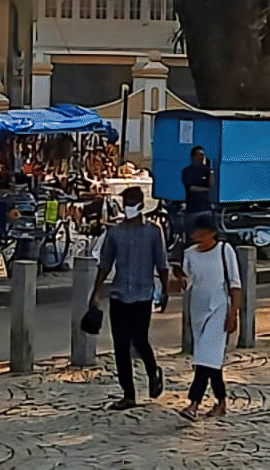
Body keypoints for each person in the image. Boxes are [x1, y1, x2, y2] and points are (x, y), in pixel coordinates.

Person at [92, 186, 169, 410]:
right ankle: (128, 393)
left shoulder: (154, 232)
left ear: (142, 205)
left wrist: (165, 291)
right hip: (119, 295)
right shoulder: (115, 233)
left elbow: (162, 264)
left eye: (133, 203)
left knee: (140, 340)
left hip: (143, 295)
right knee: (121, 346)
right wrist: (95, 292)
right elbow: (105, 263)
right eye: (126, 203)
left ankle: (153, 371)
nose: (129, 208)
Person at [178, 214, 243, 421]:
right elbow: (187, 282)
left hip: (219, 308)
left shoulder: (225, 251)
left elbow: (235, 284)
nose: (196, 236)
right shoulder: (189, 254)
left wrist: (233, 313)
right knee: (210, 359)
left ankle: (193, 403)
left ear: (211, 233)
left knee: (204, 357)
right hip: (198, 309)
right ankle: (221, 401)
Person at [182, 146, 212, 218]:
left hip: (206, 208)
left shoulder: (206, 170)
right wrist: (206, 190)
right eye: (199, 155)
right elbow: (191, 188)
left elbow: (211, 185)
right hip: (192, 209)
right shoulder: (187, 171)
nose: (201, 157)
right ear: (193, 156)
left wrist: (211, 171)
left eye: (202, 155)